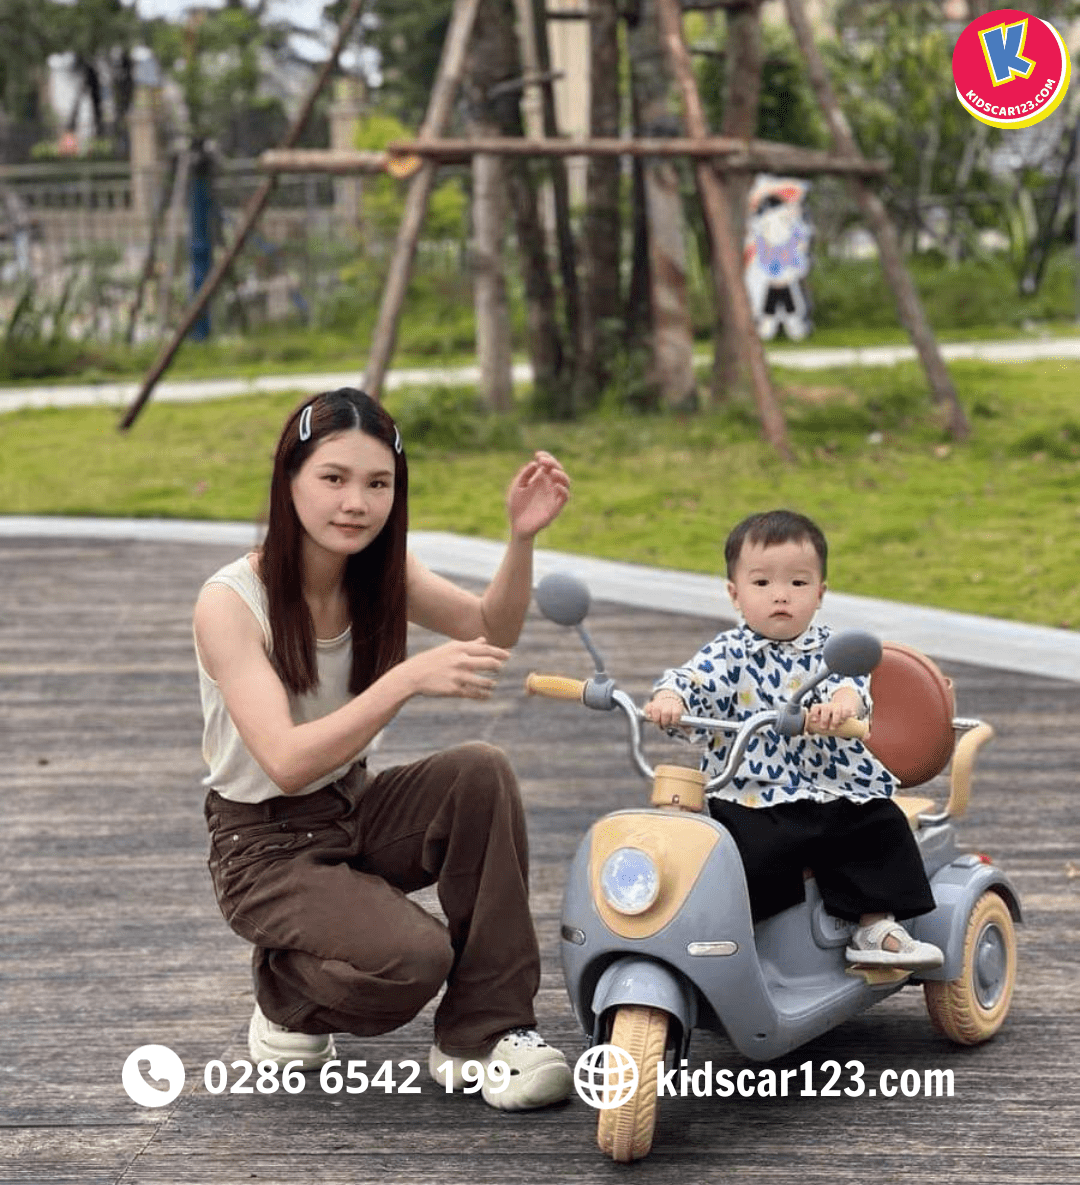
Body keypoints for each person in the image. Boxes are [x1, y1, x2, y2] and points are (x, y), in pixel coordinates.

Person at [192, 387, 574, 1111]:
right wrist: (406, 679)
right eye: (333, 478)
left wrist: (520, 539)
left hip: (351, 806)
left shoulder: (383, 572)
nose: (356, 503)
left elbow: (491, 628)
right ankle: (285, 992)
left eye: (378, 484)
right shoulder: (231, 602)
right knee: (415, 958)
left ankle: (485, 1033)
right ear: (289, 478)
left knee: (479, 773)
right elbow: (286, 762)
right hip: (263, 848)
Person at [642, 509, 943, 970]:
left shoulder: (832, 649)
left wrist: (840, 706)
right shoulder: (728, 652)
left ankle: (875, 924)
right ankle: (741, 930)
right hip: (751, 790)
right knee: (737, 850)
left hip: (830, 784)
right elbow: (694, 679)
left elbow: (851, 685)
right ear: (735, 594)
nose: (780, 595)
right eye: (762, 583)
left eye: (798, 583)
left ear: (820, 593)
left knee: (875, 824)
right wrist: (671, 697)